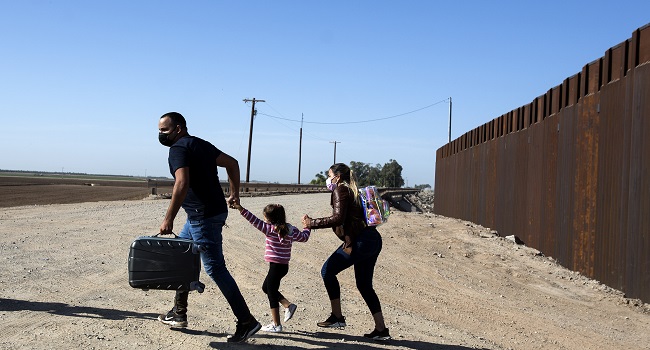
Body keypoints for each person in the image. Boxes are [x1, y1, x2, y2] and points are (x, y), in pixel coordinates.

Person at [156, 112, 261, 343]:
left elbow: (181, 182)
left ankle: (246, 321)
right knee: (184, 259)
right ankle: (179, 313)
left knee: (215, 269)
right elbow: (232, 164)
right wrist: (234, 194)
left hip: (202, 217)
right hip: (204, 214)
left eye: (164, 130)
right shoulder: (199, 144)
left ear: (178, 128)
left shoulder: (178, 150)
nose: (160, 134)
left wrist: (168, 218)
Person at [302, 163, 391, 341]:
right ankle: (381, 329)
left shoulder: (340, 190)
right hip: (372, 240)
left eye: (329, 175)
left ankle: (337, 317)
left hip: (359, 243)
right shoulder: (353, 190)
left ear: (338, 176)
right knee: (364, 285)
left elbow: (338, 218)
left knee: (327, 271)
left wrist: (312, 223)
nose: (328, 179)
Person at [232, 202, 310, 333]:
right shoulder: (291, 229)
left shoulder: (269, 228)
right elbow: (304, 237)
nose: (263, 219)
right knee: (266, 288)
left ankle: (276, 325)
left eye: (265, 217)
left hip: (275, 267)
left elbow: (252, 219)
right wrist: (307, 226)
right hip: (283, 267)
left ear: (270, 219)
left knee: (271, 293)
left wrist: (240, 208)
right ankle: (288, 305)